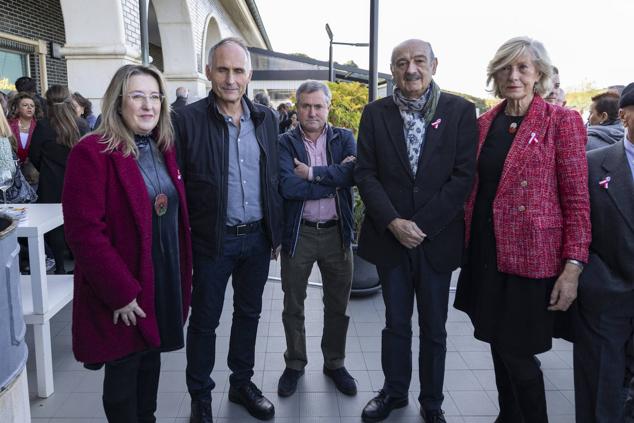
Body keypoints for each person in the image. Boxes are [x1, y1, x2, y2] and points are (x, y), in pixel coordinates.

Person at [453, 36, 590, 423]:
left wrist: (573, 265)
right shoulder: (483, 124)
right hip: (485, 254)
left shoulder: (561, 121)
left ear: (538, 75)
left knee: (516, 350)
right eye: (505, 68)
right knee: (497, 343)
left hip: (532, 259)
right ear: (495, 75)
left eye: (522, 68)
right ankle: (507, 416)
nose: (513, 75)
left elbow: (578, 200)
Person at [355, 39, 477, 423]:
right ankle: (393, 392)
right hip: (390, 239)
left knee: (434, 328)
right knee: (394, 324)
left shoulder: (459, 111)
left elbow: (462, 178)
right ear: (392, 71)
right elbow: (365, 173)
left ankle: (432, 401)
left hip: (436, 241)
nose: (411, 69)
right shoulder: (375, 113)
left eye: (419, 61)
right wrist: (393, 222)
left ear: (434, 65)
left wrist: (419, 226)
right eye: (401, 63)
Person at [62, 63, 192, 422]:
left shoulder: (163, 148)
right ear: (119, 102)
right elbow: (84, 232)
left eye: (154, 97)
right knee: (123, 381)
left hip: (159, 278)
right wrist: (120, 292)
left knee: (149, 364)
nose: (148, 105)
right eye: (138, 96)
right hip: (121, 290)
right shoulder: (92, 152)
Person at [174, 37, 282, 422]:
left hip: (256, 240)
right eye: (223, 69)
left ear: (249, 75)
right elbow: (175, 183)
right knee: (204, 321)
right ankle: (200, 396)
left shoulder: (266, 119)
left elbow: (272, 178)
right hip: (211, 242)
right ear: (208, 73)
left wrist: (276, 233)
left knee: (249, 314)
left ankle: (241, 383)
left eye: (238, 71)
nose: (231, 79)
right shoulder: (185, 121)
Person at [277, 80, 357, 397]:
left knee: (337, 304)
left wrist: (310, 173)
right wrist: (333, 177)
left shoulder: (345, 138)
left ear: (328, 107)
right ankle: (295, 363)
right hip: (301, 233)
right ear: (297, 108)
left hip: (337, 234)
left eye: (318, 106)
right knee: (293, 304)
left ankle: (334, 362)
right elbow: (287, 187)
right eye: (306, 105)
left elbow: (353, 175)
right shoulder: (284, 143)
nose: (312, 112)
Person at [572, 82, 634, 423]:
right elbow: (576, 224)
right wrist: (592, 279)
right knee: (599, 395)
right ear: (623, 115)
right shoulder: (592, 165)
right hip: (605, 299)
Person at [29, 85, 89, 274]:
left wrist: (46, 169)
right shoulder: (81, 125)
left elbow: (34, 154)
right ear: (69, 100)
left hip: (50, 182)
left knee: (53, 224)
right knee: (79, 221)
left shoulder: (43, 125)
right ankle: (78, 261)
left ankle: (60, 267)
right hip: (78, 181)